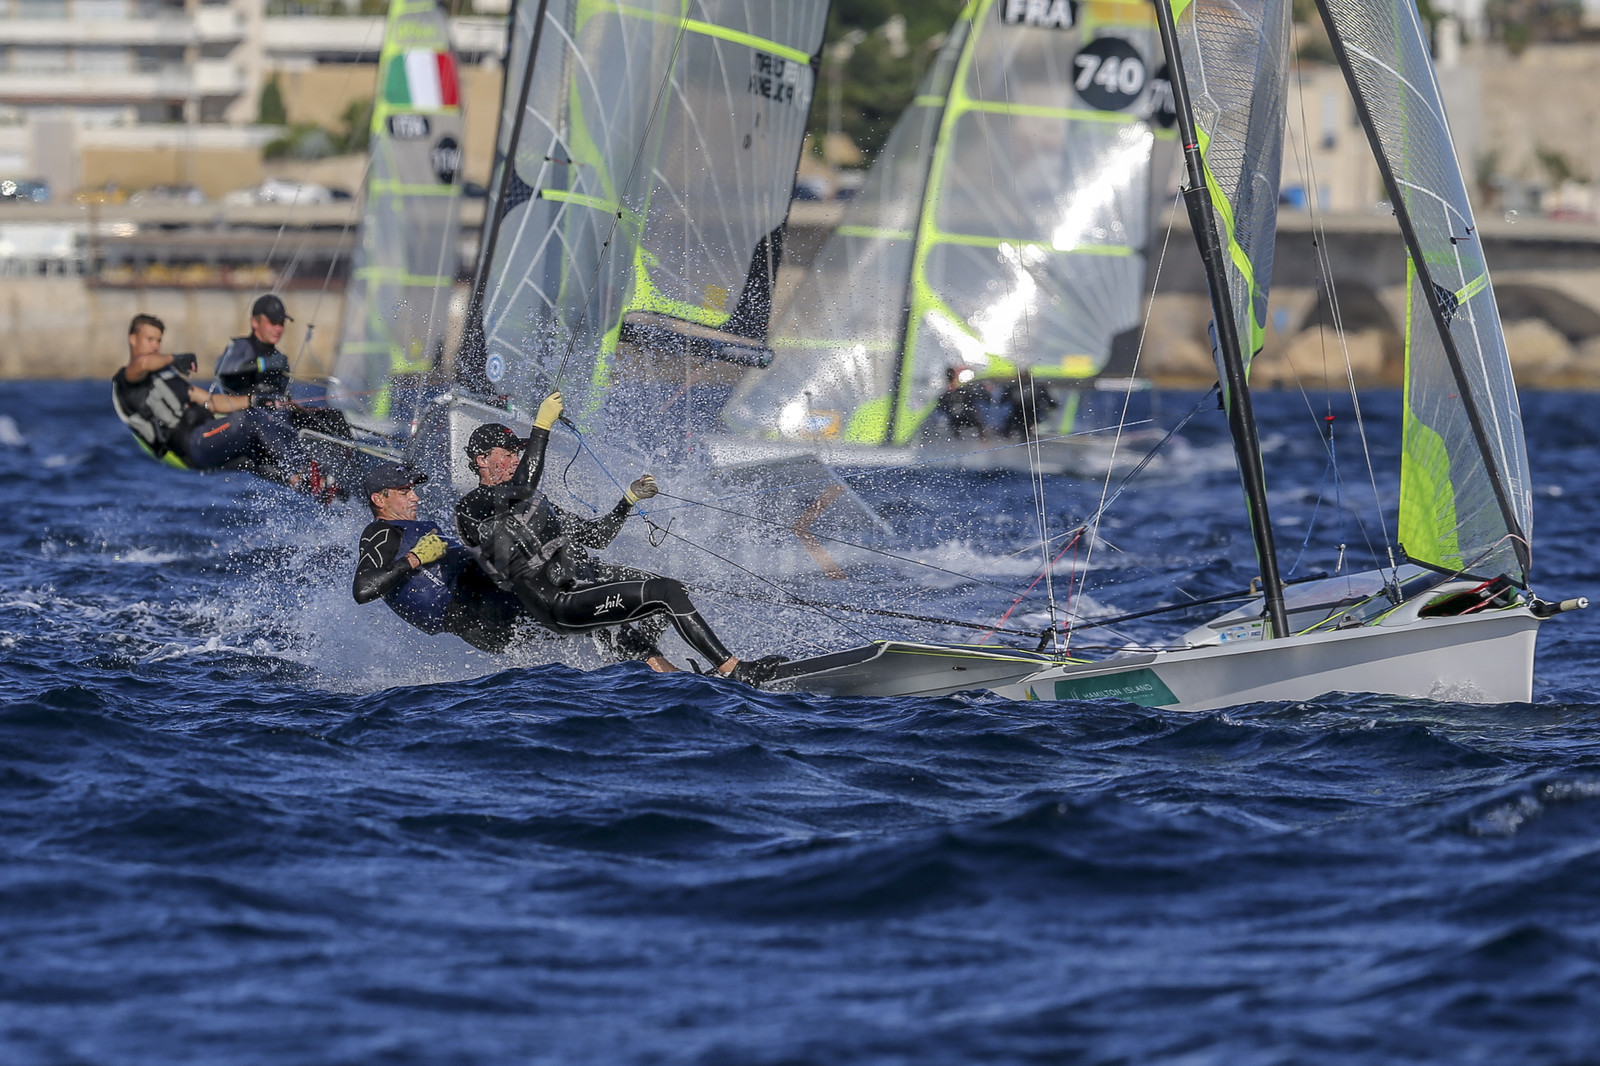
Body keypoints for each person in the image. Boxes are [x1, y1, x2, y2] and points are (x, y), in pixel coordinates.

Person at [453, 393, 786, 686]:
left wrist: (628, 500)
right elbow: (523, 485)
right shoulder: (471, 506)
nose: (515, 460)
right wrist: (542, 426)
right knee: (665, 593)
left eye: (517, 454)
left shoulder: (537, 502)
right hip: (556, 602)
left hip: (579, 585)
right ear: (482, 461)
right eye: (507, 454)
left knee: (663, 596)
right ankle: (735, 670)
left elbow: (596, 537)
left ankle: (667, 677)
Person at [353, 461, 673, 666]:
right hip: (479, 610)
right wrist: (414, 558)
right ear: (379, 500)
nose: (415, 498)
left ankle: (651, 670)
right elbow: (364, 589)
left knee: (600, 620)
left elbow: (594, 535)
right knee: (594, 614)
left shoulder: (409, 530)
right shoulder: (381, 533)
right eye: (404, 492)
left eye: (413, 490)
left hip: (486, 611)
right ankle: (665, 677)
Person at [111, 312, 336, 497]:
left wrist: (253, 400)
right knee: (248, 421)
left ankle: (320, 486)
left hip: (210, 436)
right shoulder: (127, 380)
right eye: (149, 339)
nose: (155, 345)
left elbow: (212, 402)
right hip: (193, 445)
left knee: (255, 448)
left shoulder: (167, 376)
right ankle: (305, 468)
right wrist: (174, 358)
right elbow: (141, 363)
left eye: (158, 340)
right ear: (133, 339)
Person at [214, 293, 352, 440]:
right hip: (249, 418)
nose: (278, 328)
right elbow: (224, 370)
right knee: (274, 421)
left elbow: (282, 394)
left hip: (277, 416)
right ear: (255, 322)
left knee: (333, 417)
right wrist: (263, 364)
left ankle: (351, 459)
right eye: (273, 322)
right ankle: (300, 460)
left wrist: (295, 406)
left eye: (281, 323)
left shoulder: (278, 357)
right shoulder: (241, 346)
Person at [932, 365, 989, 439]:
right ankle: (979, 436)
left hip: (961, 413)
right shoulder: (950, 389)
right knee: (968, 422)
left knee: (973, 422)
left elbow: (970, 397)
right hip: (958, 414)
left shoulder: (958, 387)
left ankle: (980, 436)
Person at [998, 371, 1057, 440]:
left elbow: (1045, 396)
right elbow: (1004, 398)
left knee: (1024, 425)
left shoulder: (1033, 386)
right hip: (1021, 411)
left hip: (1027, 410)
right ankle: (1011, 435)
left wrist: (1051, 404)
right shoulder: (1016, 385)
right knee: (1020, 424)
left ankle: (1019, 436)